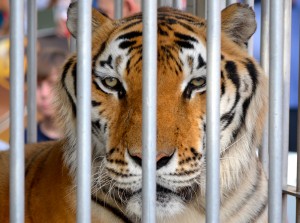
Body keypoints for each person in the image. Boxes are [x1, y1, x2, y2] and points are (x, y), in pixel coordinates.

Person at [25, 47, 68, 143]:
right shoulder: (23, 139)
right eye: (38, 85)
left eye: (52, 84)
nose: (44, 93)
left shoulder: (87, 141)